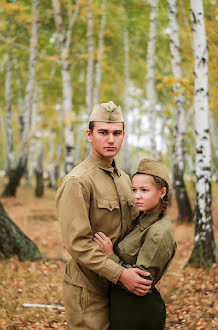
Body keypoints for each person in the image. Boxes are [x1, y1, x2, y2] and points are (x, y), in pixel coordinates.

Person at [56, 101, 152, 330]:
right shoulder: (77, 181)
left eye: (117, 133)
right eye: (103, 132)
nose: (111, 139)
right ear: (89, 135)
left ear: (123, 135)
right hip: (88, 287)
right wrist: (119, 273)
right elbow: (78, 243)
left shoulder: (125, 179)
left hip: (119, 286)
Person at [94, 158, 177, 330]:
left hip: (137, 312)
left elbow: (140, 283)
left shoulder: (158, 233)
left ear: (162, 192)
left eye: (144, 190)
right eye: (134, 190)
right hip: (123, 308)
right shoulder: (143, 218)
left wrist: (110, 255)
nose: (137, 196)